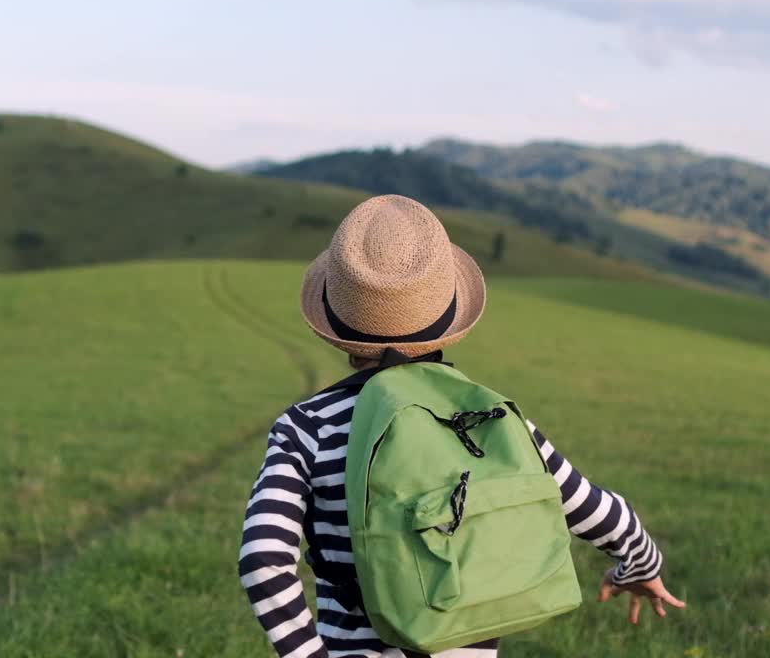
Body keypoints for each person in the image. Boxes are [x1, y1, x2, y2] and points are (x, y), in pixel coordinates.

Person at [238, 195, 684, 657]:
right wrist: (639, 565)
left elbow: (263, 557)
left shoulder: (307, 427)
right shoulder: (487, 417)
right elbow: (598, 511)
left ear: (339, 319)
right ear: (446, 313)